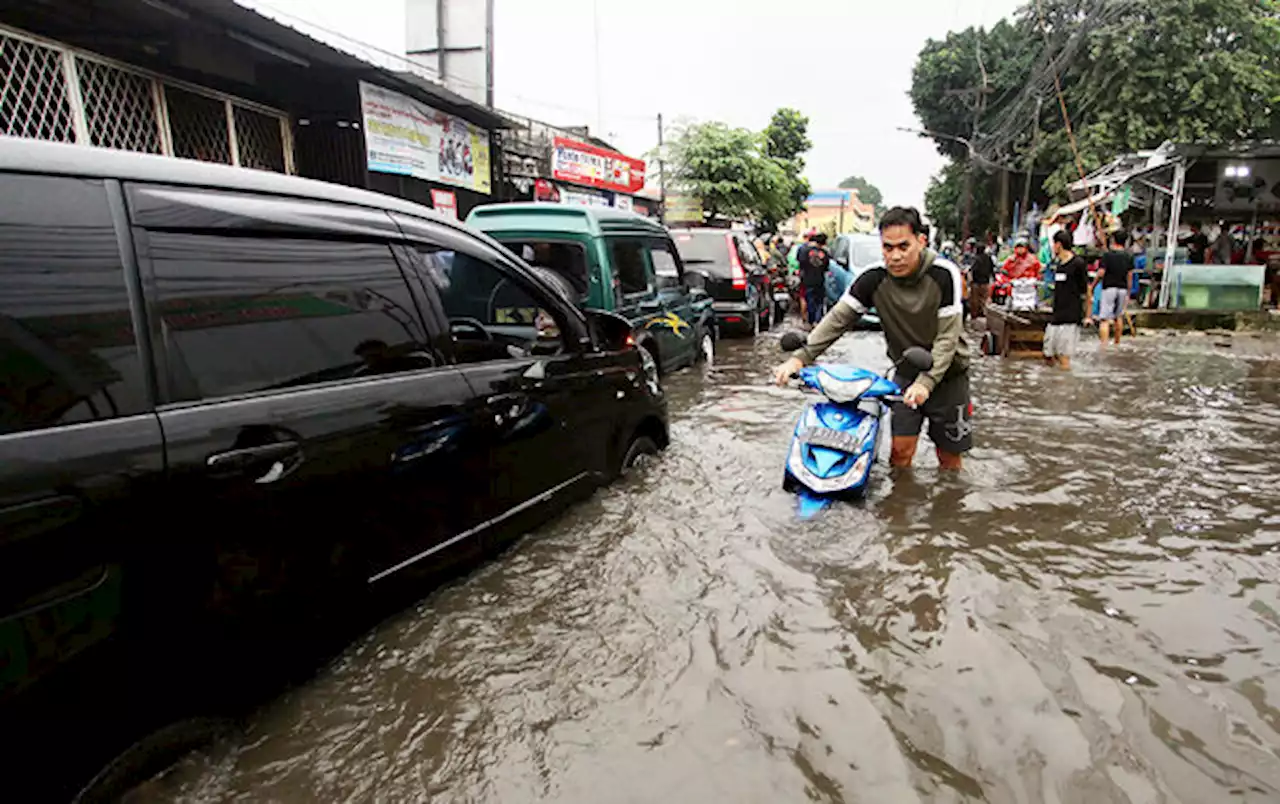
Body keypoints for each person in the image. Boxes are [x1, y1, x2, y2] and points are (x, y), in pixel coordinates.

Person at [773, 206, 971, 471]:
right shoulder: (873, 278)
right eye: (888, 248)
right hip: (905, 371)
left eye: (904, 246)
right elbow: (837, 320)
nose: (896, 256)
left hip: (949, 377)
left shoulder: (944, 274)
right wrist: (799, 359)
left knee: (949, 460)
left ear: (921, 242)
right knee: (900, 455)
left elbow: (948, 338)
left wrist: (926, 383)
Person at [1044, 229, 1090, 369]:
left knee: (1064, 356)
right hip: (1056, 315)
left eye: (1053, 244)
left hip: (1071, 316)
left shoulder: (1078, 264)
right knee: (1048, 353)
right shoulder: (1058, 265)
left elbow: (1086, 290)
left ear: (1059, 245)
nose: (1053, 247)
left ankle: (1065, 385)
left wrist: (1088, 315)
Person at [1095, 229, 1134, 347]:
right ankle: (1117, 343)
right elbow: (1130, 275)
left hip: (1109, 288)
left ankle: (1104, 345)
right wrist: (1128, 292)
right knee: (1118, 317)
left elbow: (1101, 273)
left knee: (1104, 319)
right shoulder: (1129, 256)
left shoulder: (1107, 255)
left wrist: (1093, 285)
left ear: (1113, 240)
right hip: (1122, 288)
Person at [799, 233, 831, 326]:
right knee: (819, 302)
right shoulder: (824, 253)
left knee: (810, 301)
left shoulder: (805, 251)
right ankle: (817, 320)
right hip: (819, 280)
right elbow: (826, 267)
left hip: (807, 280)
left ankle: (811, 320)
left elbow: (801, 264)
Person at [969, 241, 995, 318]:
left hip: (976, 282)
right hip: (986, 282)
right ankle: (983, 312)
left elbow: (973, 270)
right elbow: (992, 269)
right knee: (984, 299)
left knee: (975, 300)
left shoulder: (976, 259)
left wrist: (971, 280)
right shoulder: (988, 258)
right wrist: (993, 278)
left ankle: (975, 314)